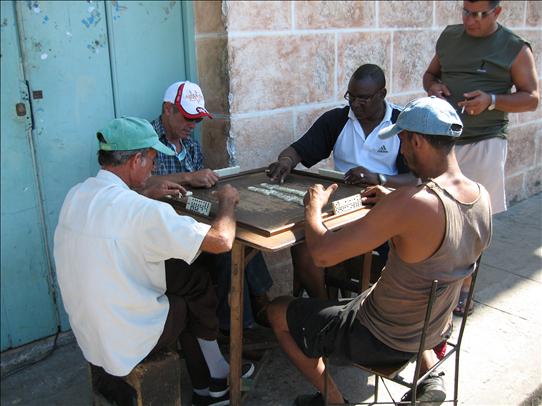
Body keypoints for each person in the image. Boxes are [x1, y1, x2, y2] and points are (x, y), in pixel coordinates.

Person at [267, 97, 492, 405]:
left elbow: (321, 254)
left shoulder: (411, 203)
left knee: (277, 310)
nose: (401, 150)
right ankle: (430, 376)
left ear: (416, 139)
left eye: (402, 141)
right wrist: (393, 202)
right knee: (383, 286)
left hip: (380, 337)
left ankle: (333, 400)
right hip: (434, 326)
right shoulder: (481, 197)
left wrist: (313, 211)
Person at [54, 117, 253, 406]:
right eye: (151, 158)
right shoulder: (142, 211)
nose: (155, 166)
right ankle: (211, 383)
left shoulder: (77, 194)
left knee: (188, 278)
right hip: (125, 339)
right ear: (135, 160)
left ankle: (211, 379)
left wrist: (144, 193)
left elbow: (117, 218)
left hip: (88, 331)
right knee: (187, 300)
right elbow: (221, 241)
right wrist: (227, 201)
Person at [423, 0, 539, 315]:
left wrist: (491, 101)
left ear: (497, 13)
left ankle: (464, 288)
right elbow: (430, 74)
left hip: (485, 140)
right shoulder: (449, 36)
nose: (471, 21)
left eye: (479, 14)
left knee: (472, 221)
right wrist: (435, 87)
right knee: (440, 216)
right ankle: (436, 283)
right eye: (466, 12)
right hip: (444, 140)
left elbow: (531, 98)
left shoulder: (514, 48)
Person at [266, 64, 417, 298]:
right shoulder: (337, 120)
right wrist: (285, 161)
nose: (355, 104)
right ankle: (325, 309)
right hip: (341, 208)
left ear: (382, 94)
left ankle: (368, 306)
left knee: (388, 255)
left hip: (383, 208)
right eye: (351, 96)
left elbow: (415, 179)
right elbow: (299, 149)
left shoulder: (401, 124)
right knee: (304, 245)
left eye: (363, 98)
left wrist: (378, 177)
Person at [148, 80, 273, 331]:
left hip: (192, 223)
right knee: (226, 250)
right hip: (164, 231)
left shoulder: (191, 145)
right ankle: (237, 327)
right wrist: (187, 177)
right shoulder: (146, 141)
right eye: (186, 118)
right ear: (167, 109)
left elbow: (196, 192)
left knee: (242, 238)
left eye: (197, 120)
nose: (191, 125)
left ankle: (257, 307)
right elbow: (139, 184)